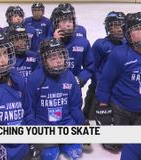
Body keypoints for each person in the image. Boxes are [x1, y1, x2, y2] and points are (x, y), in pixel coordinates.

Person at [24, 38, 85, 160]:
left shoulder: (70, 76)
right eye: (53, 58)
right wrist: (34, 131)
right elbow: (29, 109)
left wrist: (81, 123)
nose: (58, 61)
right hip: (44, 126)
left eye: (61, 56)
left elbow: (75, 106)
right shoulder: (34, 79)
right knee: (49, 155)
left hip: (67, 124)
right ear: (44, 61)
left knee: (75, 152)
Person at [0, 23, 34, 160]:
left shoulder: (18, 78)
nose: (3, 60)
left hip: (21, 148)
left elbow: (27, 111)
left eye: (5, 52)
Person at [95, 12, 141, 151]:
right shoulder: (119, 54)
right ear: (128, 34)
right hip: (121, 108)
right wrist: (103, 109)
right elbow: (105, 82)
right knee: (114, 145)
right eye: (137, 29)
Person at [83, 11, 125, 120]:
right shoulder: (100, 44)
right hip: (98, 89)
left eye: (122, 25)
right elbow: (93, 67)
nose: (120, 29)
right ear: (108, 27)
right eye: (116, 25)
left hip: (118, 90)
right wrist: (101, 83)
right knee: (90, 118)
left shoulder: (127, 44)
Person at [50, 4, 94, 88]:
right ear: (56, 24)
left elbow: (90, 66)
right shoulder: (47, 42)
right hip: (52, 87)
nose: (68, 24)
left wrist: (80, 79)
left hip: (74, 88)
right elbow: (40, 66)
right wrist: (55, 42)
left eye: (70, 21)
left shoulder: (83, 42)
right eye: (63, 21)